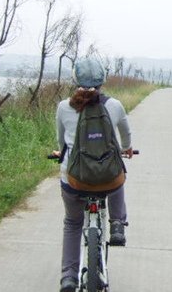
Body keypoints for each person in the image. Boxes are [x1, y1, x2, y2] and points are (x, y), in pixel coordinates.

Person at [55, 57, 134, 292]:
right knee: (117, 176)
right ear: (102, 81)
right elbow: (126, 135)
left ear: (75, 80)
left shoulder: (63, 107)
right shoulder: (115, 106)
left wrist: (61, 153)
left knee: (72, 222)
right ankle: (117, 223)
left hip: (75, 181)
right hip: (107, 183)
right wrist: (127, 149)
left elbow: (62, 142)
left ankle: (69, 277)